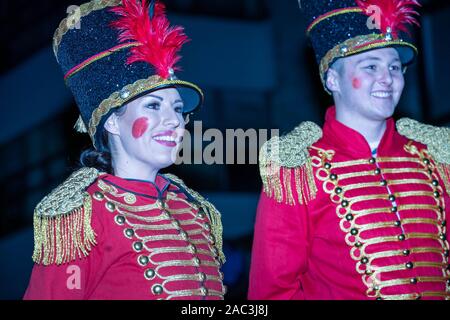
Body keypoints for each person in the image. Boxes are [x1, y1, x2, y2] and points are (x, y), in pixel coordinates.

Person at [24, 0, 225, 300]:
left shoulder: (194, 207)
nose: (174, 121)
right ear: (113, 122)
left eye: (178, 108)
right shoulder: (82, 216)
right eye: (154, 106)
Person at [249, 0, 450, 300]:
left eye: (394, 67)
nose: (388, 78)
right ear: (333, 80)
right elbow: (273, 292)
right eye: (371, 66)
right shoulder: (296, 169)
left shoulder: (435, 158)